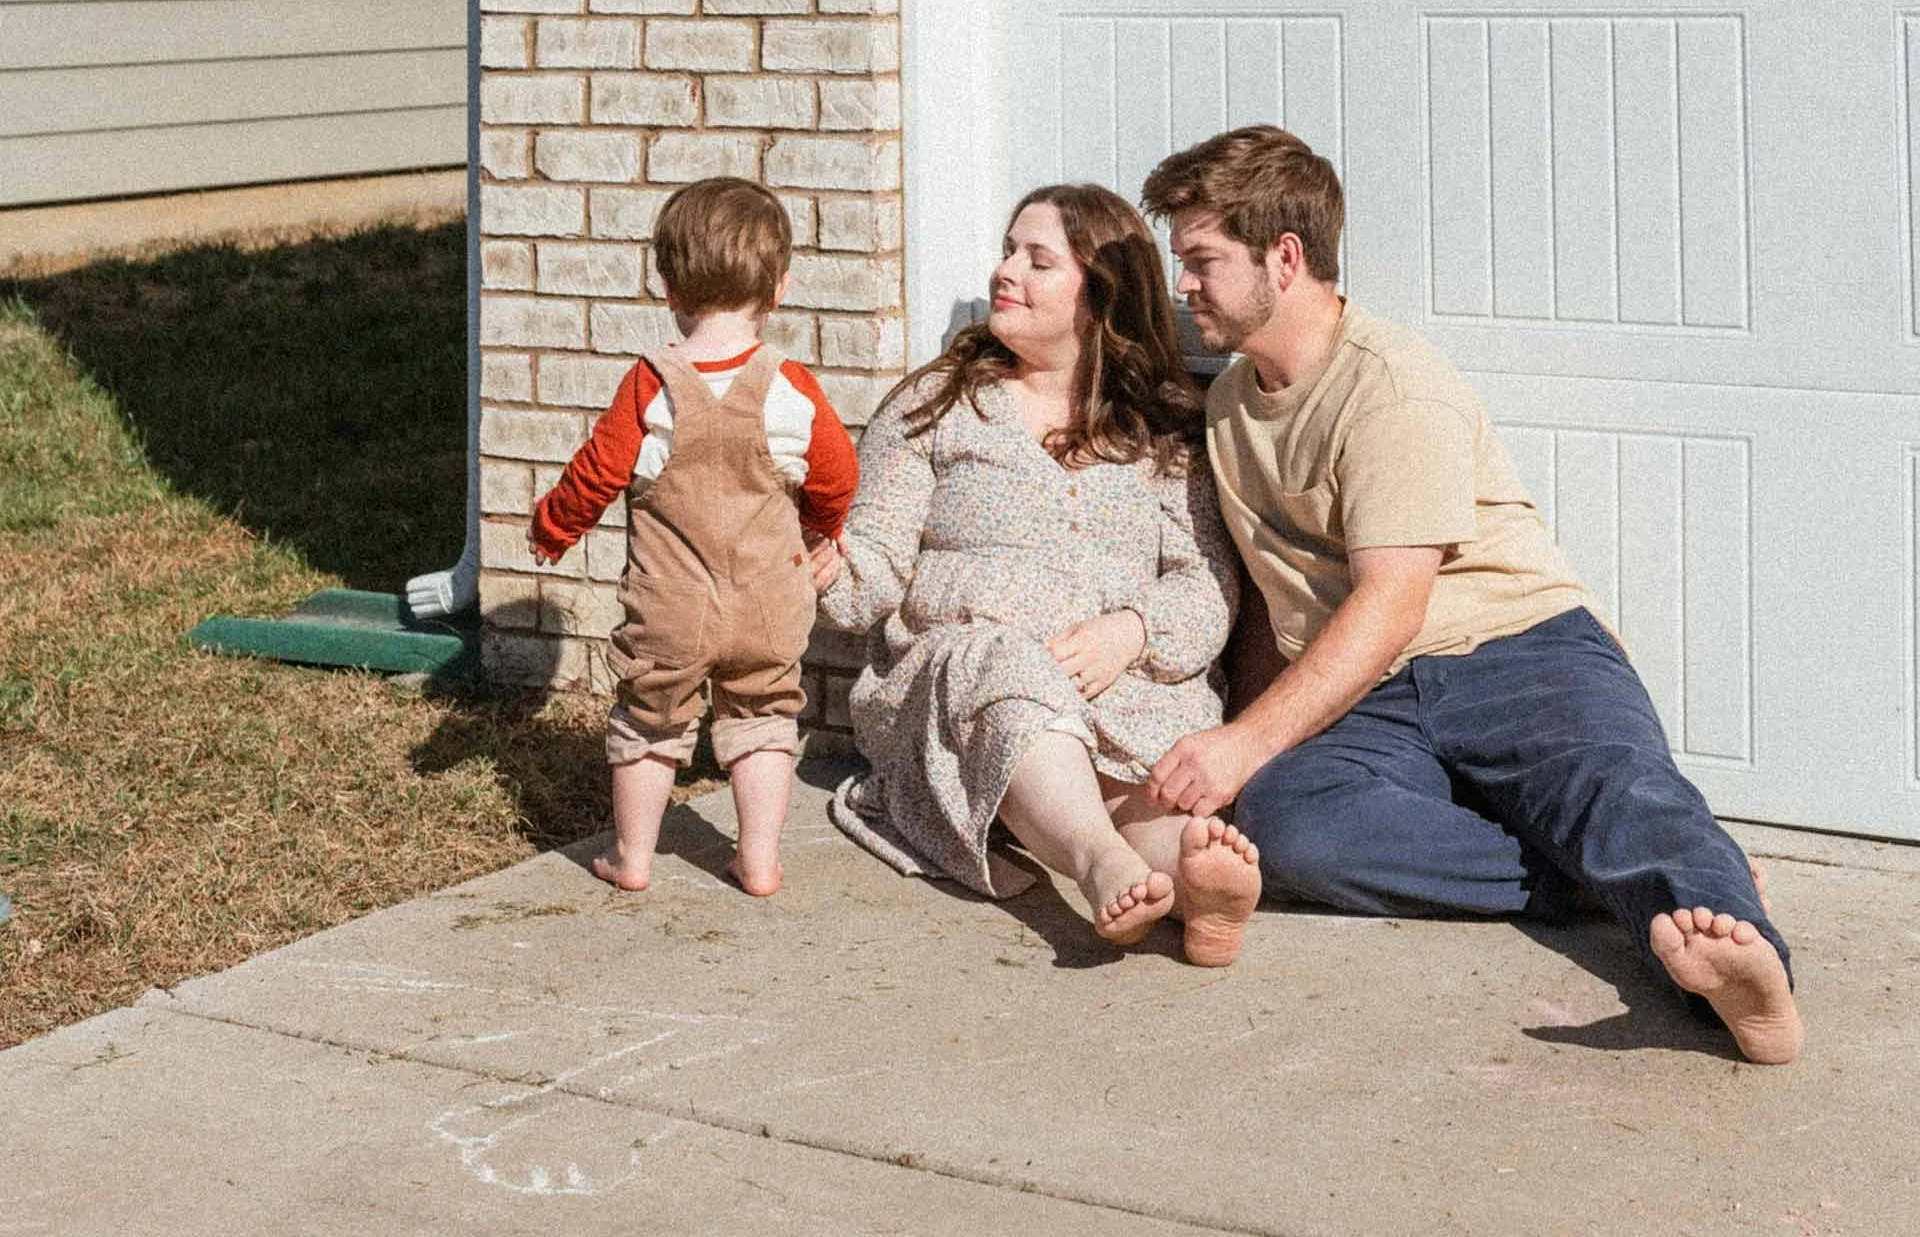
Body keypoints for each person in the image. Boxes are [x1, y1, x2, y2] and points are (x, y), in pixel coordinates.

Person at [1139, 126, 1803, 1066]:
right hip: (1372, 692)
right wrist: (1247, 743)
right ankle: (1607, 883)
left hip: (1518, 651)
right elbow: (1271, 593)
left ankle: (1747, 983)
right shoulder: (1232, 404)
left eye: (1202, 261)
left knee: (1616, 794)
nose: (1185, 286)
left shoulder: (1392, 388)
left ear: (1284, 260)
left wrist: (1242, 742)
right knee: (1292, 824)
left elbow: (1392, 603)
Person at [816, 183, 1261, 964]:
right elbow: (875, 560)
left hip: (1118, 684)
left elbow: (1206, 583)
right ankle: (1097, 863)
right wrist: (820, 566)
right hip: (962, 678)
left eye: (1038, 260)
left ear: (1100, 299)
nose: (1005, 272)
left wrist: (1132, 632)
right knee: (1010, 671)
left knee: (1153, 798)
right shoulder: (937, 404)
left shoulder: (1160, 430)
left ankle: (1194, 894)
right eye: (1007, 251)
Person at [527, 176, 857, 899]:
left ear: (669, 288)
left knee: (649, 719)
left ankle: (634, 857)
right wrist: (821, 527)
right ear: (780, 289)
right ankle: (760, 860)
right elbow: (837, 471)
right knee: (765, 714)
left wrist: (554, 526)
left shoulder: (651, 384)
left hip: (671, 602)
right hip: (770, 598)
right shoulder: (790, 387)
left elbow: (596, 470)